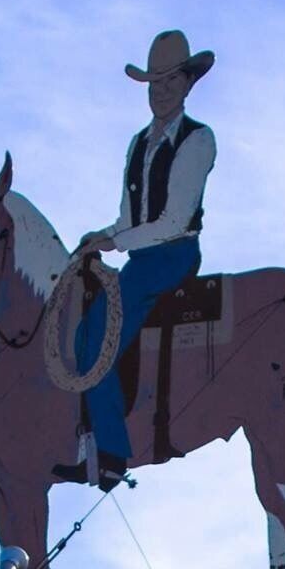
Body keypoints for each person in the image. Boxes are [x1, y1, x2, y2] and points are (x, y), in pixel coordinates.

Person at [66, 29, 217, 488]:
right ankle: (89, 443)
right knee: (83, 327)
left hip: (172, 255)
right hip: (143, 254)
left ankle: (111, 453)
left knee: (99, 338)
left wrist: (117, 242)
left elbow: (173, 220)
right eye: (155, 82)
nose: (162, 90)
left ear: (188, 85)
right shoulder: (138, 144)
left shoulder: (198, 140)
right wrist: (104, 235)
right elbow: (130, 216)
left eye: (171, 81)